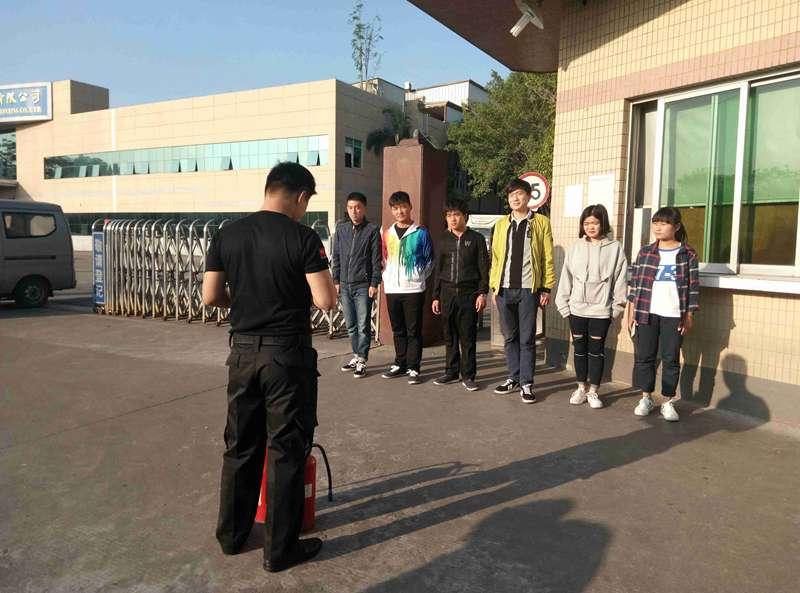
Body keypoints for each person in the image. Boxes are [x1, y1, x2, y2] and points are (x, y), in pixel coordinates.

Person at [203, 162, 337, 572]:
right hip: (286, 358)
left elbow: (211, 296)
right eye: (306, 202)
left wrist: (245, 304)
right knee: (285, 451)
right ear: (300, 196)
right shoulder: (303, 237)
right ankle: (279, 550)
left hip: (242, 355)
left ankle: (232, 536)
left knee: (240, 446)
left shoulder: (228, 234)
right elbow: (326, 300)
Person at [626, 206, 699, 422]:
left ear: (676, 227)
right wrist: (631, 313)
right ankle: (646, 397)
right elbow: (635, 285)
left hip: (674, 314)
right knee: (645, 357)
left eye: (664, 223)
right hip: (646, 312)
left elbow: (693, 287)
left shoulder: (687, 253)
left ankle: (667, 401)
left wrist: (689, 314)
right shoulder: (645, 252)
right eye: (655, 223)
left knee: (671, 358)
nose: (658, 227)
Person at [489, 178, 556, 404]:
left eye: (519, 194)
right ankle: (513, 377)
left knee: (527, 338)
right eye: (511, 195)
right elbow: (495, 257)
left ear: (528, 196)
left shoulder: (541, 222)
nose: (515, 198)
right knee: (510, 337)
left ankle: (526, 383)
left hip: (529, 289)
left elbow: (547, 257)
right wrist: (494, 286)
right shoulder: (501, 224)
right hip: (503, 289)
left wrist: (546, 287)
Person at [555, 204, 628, 409]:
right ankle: (580, 387)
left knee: (596, 351)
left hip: (601, 311)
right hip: (577, 310)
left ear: (602, 223)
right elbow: (566, 277)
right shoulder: (576, 247)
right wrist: (564, 306)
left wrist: (616, 309)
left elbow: (620, 280)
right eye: (586, 223)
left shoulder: (615, 248)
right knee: (579, 349)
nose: (590, 227)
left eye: (595, 222)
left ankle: (594, 391)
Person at [431, 198, 490, 392]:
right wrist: (436, 296)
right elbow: (438, 270)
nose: (452, 219)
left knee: (468, 336)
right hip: (447, 294)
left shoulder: (476, 239)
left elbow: (483, 268)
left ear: (465, 216)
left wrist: (482, 293)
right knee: (449, 335)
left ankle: (469, 375)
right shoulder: (443, 239)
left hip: (468, 294)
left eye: (456, 214)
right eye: (449, 215)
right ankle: (451, 371)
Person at [380, 191, 434, 385]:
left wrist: (416, 277)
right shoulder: (387, 234)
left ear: (410, 207)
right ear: (392, 210)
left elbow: (430, 261)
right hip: (392, 289)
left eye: (403, 207)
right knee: (398, 330)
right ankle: (399, 363)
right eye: (395, 208)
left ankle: (413, 367)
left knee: (413, 331)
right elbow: (383, 259)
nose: (400, 211)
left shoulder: (421, 233)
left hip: (413, 290)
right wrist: (387, 278)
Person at [331, 192, 382, 378]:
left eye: (358, 207)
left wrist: (374, 283)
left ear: (364, 209)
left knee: (363, 325)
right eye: (351, 207)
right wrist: (336, 280)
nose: (354, 211)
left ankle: (362, 359)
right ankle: (355, 355)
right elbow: (336, 256)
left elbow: (376, 259)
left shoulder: (372, 230)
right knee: (351, 325)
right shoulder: (341, 229)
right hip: (345, 285)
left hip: (363, 285)